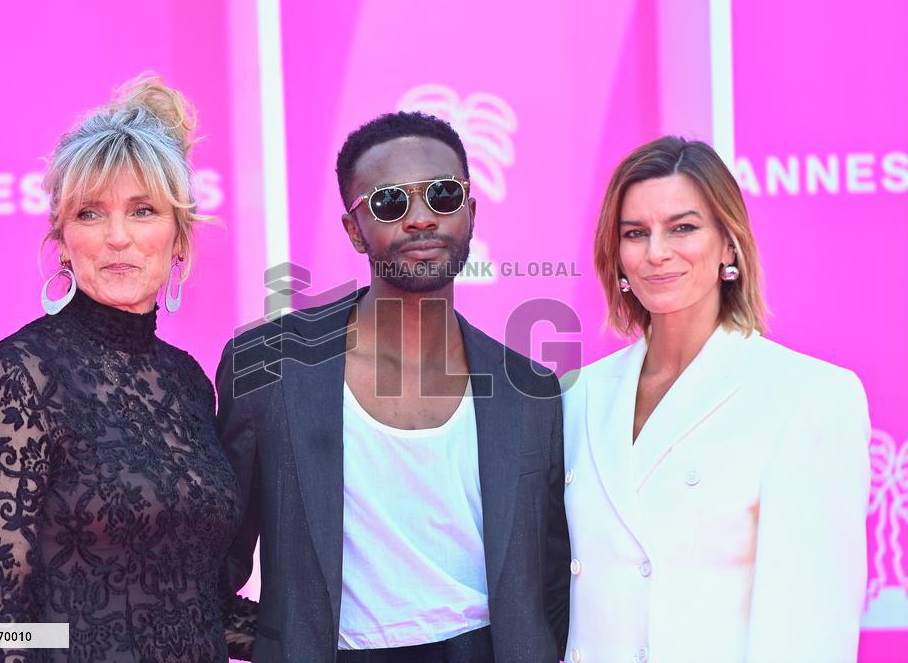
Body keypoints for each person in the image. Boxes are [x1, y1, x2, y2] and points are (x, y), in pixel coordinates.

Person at [216, 111, 569, 662]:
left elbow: (553, 587)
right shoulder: (270, 366)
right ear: (354, 230)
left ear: (471, 213)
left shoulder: (530, 390)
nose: (422, 220)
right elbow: (212, 561)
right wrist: (280, 645)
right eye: (389, 203)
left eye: (443, 196)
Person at [0, 74, 255, 662]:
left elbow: (199, 606)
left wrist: (352, 641)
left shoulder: (189, 383)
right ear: (63, 241)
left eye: (142, 211)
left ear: (179, 239)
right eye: (90, 214)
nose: (117, 238)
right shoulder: (21, 375)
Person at [561, 136, 871, 663]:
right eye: (636, 233)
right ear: (616, 255)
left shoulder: (808, 397)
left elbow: (810, 629)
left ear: (729, 244)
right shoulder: (578, 396)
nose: (657, 252)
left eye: (683, 227)